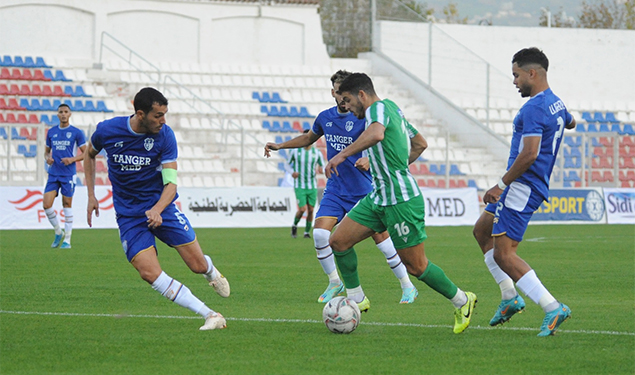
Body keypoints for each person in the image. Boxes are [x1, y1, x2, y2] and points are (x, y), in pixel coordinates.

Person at [325, 72, 477, 334]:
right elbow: (420, 143)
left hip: (402, 201)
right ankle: (357, 299)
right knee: (338, 241)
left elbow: (375, 135)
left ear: (362, 94)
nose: (346, 107)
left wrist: (341, 156)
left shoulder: (379, 109)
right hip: (379, 198)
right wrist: (390, 166)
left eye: (348, 100)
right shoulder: (393, 108)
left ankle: (463, 300)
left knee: (416, 266)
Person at [265, 70, 421, 305]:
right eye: (339, 93)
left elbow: (380, 138)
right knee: (319, 234)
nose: (343, 99)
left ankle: (407, 285)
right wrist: (280, 145)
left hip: (365, 188)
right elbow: (308, 138)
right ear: (333, 93)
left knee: (384, 242)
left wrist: (369, 159)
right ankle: (335, 281)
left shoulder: (363, 117)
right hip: (336, 189)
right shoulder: (325, 117)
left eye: (346, 95)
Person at [84, 87, 230, 331]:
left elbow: (171, 183)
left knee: (196, 265)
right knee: (148, 272)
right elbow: (89, 154)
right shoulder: (108, 131)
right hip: (130, 215)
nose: (163, 121)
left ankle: (211, 271)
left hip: (163, 206)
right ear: (140, 114)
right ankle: (211, 315)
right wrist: (91, 195)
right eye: (158, 115)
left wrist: (158, 209)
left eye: (165, 114)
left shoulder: (165, 136)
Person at [475, 47, 576, 337]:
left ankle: (552, 307)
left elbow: (530, 153)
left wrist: (501, 185)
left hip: (521, 186)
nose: (515, 81)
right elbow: (570, 121)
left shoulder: (532, 108)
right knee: (482, 232)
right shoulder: (554, 102)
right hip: (525, 184)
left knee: (504, 255)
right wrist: (566, 122)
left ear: (532, 73)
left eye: (517, 75)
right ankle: (510, 297)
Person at [43, 103, 86, 249]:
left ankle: (67, 239)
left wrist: (72, 159)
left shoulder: (76, 133)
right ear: (57, 114)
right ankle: (58, 231)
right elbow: (46, 151)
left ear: (70, 114)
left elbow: (86, 153)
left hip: (68, 174)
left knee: (67, 205)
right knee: (46, 205)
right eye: (60, 111)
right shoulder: (51, 132)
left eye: (65, 112)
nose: (63, 114)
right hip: (53, 173)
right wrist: (47, 158)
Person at [287, 129, 325, 239]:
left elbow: (322, 166)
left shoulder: (316, 153)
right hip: (299, 185)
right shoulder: (295, 151)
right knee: (303, 209)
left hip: (312, 185)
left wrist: (320, 169)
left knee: (311, 209)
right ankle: (294, 225)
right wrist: (292, 172)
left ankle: (307, 232)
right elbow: (287, 165)